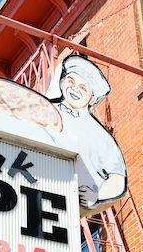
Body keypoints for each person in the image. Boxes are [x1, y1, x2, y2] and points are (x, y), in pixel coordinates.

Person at [49, 55, 127, 214]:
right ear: (62, 83)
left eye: (83, 88)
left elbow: (118, 179)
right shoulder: (45, 110)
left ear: (92, 99)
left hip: (68, 202)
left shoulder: (99, 134)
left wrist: (97, 195)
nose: (75, 89)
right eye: (71, 82)